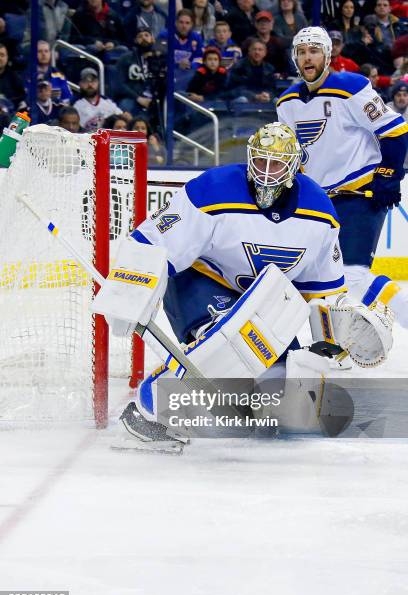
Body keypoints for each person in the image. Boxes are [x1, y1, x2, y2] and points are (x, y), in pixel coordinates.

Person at [92, 122, 392, 452]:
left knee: (282, 395)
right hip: (201, 281)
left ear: (294, 167)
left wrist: (328, 344)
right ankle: (149, 410)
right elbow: (152, 242)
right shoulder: (213, 190)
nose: (265, 172)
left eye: (275, 164)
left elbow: (324, 293)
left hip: (265, 302)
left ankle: (233, 403)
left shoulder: (319, 213)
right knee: (236, 345)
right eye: (259, 161)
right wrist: (132, 291)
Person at [277, 26, 408, 328]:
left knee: (354, 276)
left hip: (360, 196)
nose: (307, 58)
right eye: (301, 52)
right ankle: (337, 346)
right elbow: (292, 155)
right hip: (317, 202)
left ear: (327, 54)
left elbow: (395, 131)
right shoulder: (286, 103)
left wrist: (388, 176)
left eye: (313, 50)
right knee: (317, 280)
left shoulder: (351, 86)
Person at [227, 38, 277, 104]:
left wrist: (268, 95)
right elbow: (236, 89)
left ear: (265, 53)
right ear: (249, 51)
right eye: (254, 49)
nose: (257, 52)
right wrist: (254, 96)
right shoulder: (238, 67)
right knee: (242, 100)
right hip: (246, 97)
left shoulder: (269, 69)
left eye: (260, 50)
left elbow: (273, 89)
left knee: (278, 101)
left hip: (264, 98)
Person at [73, 67, 123, 132]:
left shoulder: (108, 102)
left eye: (93, 81)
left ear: (98, 83)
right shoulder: (75, 105)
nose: (90, 85)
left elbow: (121, 117)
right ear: (80, 84)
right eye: (86, 81)